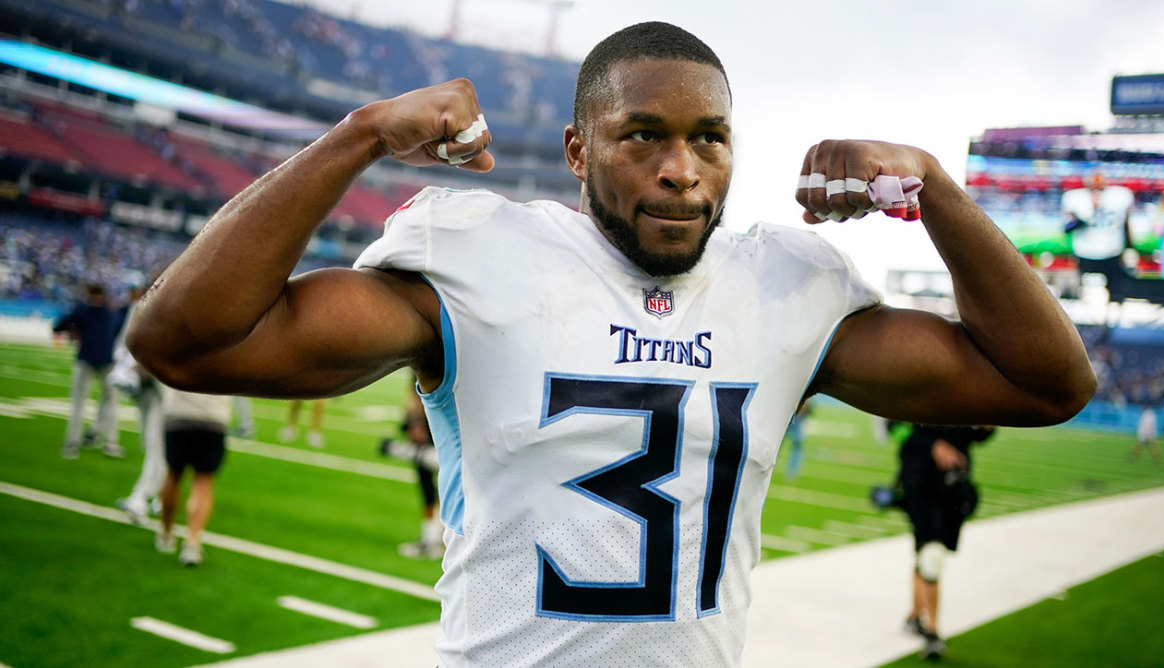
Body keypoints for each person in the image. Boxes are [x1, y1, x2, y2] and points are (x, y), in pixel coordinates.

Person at [128, 22, 1096, 666]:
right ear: (578, 150)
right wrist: (358, 136)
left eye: (710, 138)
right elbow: (182, 339)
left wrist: (933, 188)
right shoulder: (480, 263)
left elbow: (1049, 379)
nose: (682, 171)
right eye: (643, 135)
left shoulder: (783, 288)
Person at [896, 423, 994, 660]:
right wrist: (934, 445)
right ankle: (933, 632)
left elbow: (975, 435)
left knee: (928, 553)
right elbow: (895, 427)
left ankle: (914, 615)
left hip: (953, 484)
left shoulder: (969, 390)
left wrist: (988, 426)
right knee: (932, 554)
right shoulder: (911, 386)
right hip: (919, 480)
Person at [109, 278, 167, 525]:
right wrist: (127, 367)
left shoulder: (182, 310)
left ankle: (141, 497)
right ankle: (159, 494)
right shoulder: (141, 308)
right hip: (141, 385)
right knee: (148, 441)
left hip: (165, 388)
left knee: (157, 445)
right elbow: (123, 344)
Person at [155, 385, 233, 566]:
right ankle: (192, 540)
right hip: (214, 418)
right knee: (203, 482)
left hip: (180, 415)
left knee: (173, 475)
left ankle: (166, 534)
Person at [53, 282, 123, 459]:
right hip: (106, 360)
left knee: (79, 403)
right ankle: (110, 443)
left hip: (87, 359)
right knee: (110, 402)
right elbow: (116, 331)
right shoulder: (109, 311)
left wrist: (73, 331)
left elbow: (58, 326)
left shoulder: (81, 310)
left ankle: (72, 444)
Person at [380, 387, 444, 559]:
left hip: (435, 432)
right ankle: (432, 538)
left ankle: (434, 540)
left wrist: (414, 421)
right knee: (433, 488)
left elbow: (416, 396)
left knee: (441, 486)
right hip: (438, 429)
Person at [782, 400, 811, 479]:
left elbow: (808, 406)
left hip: (798, 419)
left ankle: (792, 472)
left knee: (796, 448)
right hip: (790, 418)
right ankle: (791, 472)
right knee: (777, 446)